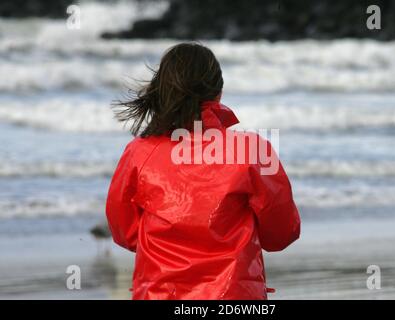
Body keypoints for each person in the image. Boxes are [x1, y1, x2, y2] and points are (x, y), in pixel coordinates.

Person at [106, 42, 300, 300]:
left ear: (162, 90)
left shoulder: (139, 152)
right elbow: (282, 234)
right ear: (218, 92)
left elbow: (125, 234)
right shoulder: (252, 149)